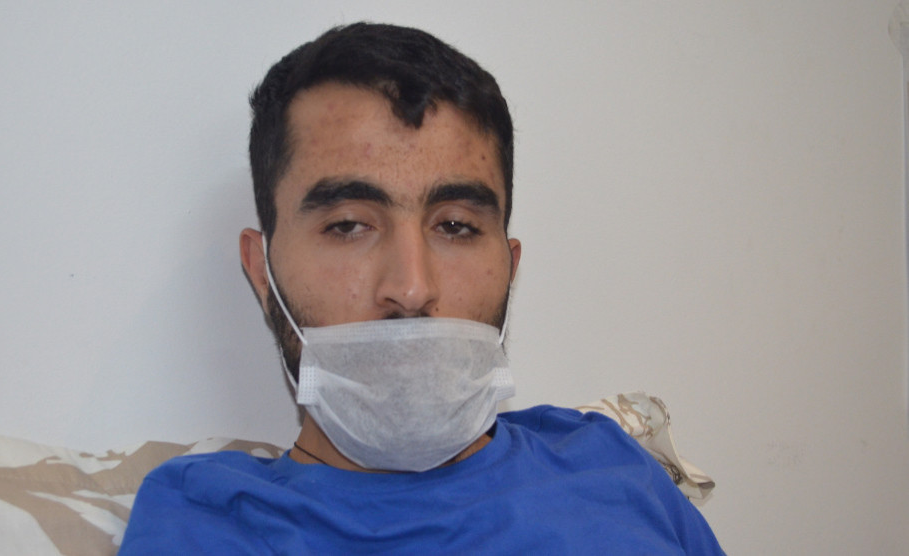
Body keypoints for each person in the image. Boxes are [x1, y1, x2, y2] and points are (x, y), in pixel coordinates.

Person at [120, 22, 724, 554]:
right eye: (348, 225)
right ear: (261, 273)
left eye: (456, 226)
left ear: (510, 266)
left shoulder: (612, 466)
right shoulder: (206, 518)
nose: (411, 288)